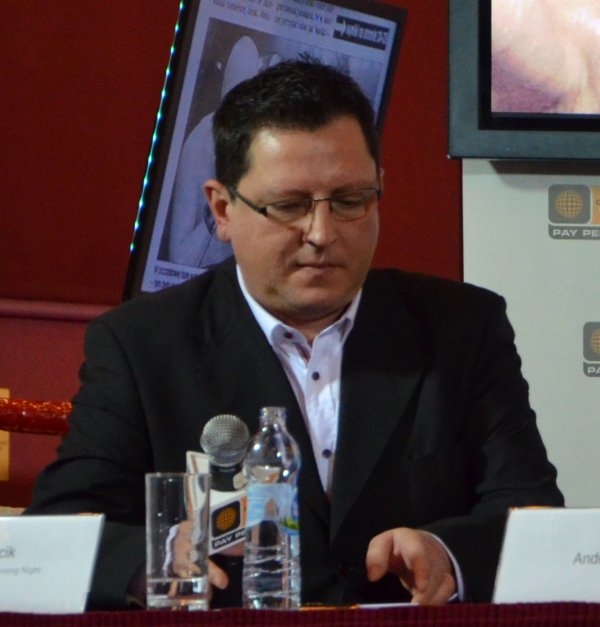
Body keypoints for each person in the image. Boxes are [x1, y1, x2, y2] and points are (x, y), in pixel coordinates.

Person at [27, 60, 563, 610]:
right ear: (221, 209)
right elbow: (60, 530)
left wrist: (449, 554)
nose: (322, 234)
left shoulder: (463, 327)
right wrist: (158, 555)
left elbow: (531, 513)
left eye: (350, 201)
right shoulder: (142, 345)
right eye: (289, 206)